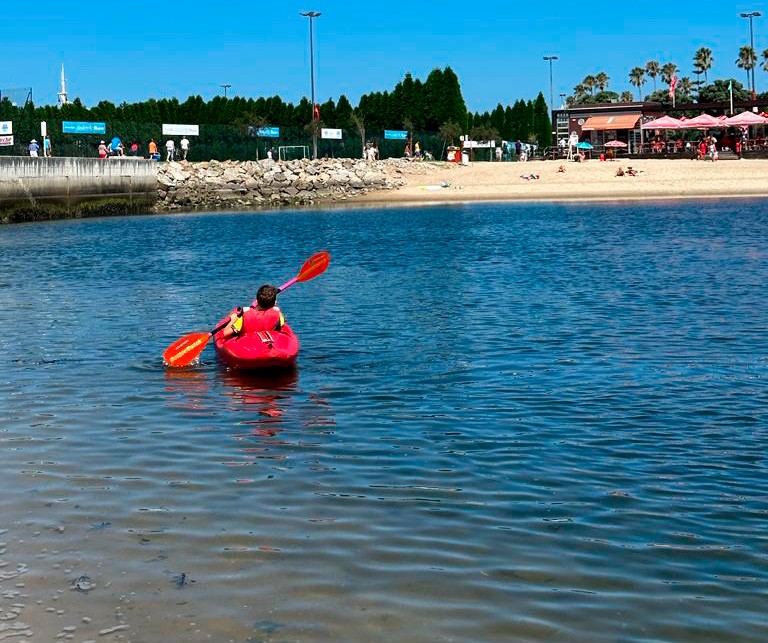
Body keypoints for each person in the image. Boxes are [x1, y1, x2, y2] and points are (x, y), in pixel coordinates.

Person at [221, 284, 285, 340]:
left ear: (256, 301)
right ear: (275, 303)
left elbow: (225, 333)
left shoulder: (244, 317)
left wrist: (233, 319)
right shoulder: (279, 315)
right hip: (267, 345)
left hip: (248, 344)